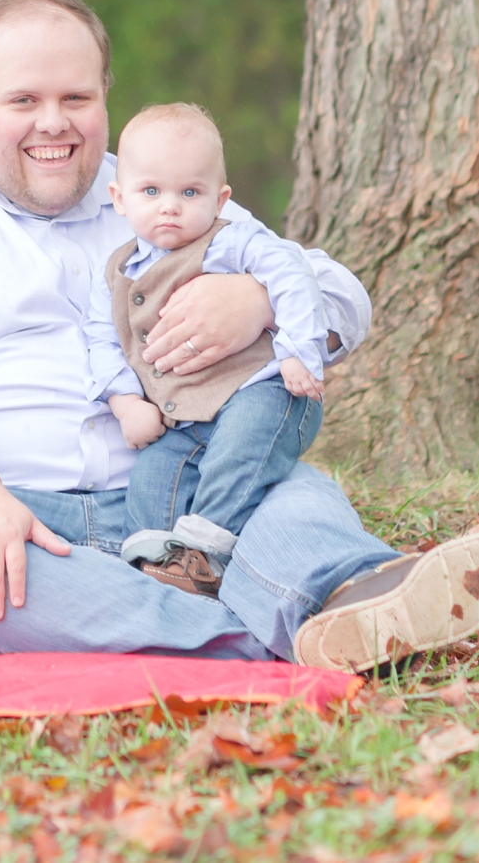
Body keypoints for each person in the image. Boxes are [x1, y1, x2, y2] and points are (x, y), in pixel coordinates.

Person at [0, 0, 479, 674]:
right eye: (24, 101)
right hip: (15, 508)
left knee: (291, 489)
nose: (53, 123)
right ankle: (287, 633)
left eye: (76, 97)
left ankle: (365, 590)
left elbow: (339, 293)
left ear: (105, 92)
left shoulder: (153, 196)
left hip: (184, 488)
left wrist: (260, 299)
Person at [86, 100, 328, 596]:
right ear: (120, 197)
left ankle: (204, 553)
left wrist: (298, 350)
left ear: (220, 200)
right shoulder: (117, 271)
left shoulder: (228, 242)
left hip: (258, 390)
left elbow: (293, 272)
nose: (170, 205)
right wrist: (125, 402)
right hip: (181, 418)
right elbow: (101, 339)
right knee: (153, 474)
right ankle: (153, 563)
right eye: (151, 191)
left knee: (240, 449)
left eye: (189, 192)